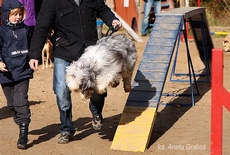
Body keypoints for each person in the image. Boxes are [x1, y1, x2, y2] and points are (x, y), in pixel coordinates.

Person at [28, 0, 122, 144]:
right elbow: (41, 27)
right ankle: (66, 128)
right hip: (64, 51)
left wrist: (112, 20)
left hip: (90, 51)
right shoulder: (52, 1)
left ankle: (96, 110)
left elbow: (103, 10)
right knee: (61, 90)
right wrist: (34, 54)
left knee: (99, 88)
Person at [0, 0, 33, 149]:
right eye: (15, 15)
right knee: (12, 104)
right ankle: (19, 117)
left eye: (20, 14)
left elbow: (34, 46)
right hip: (6, 75)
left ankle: (23, 135)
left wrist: (34, 58)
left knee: (21, 102)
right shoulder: (1, 32)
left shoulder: (26, 30)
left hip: (22, 72)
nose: (18, 17)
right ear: (6, 15)